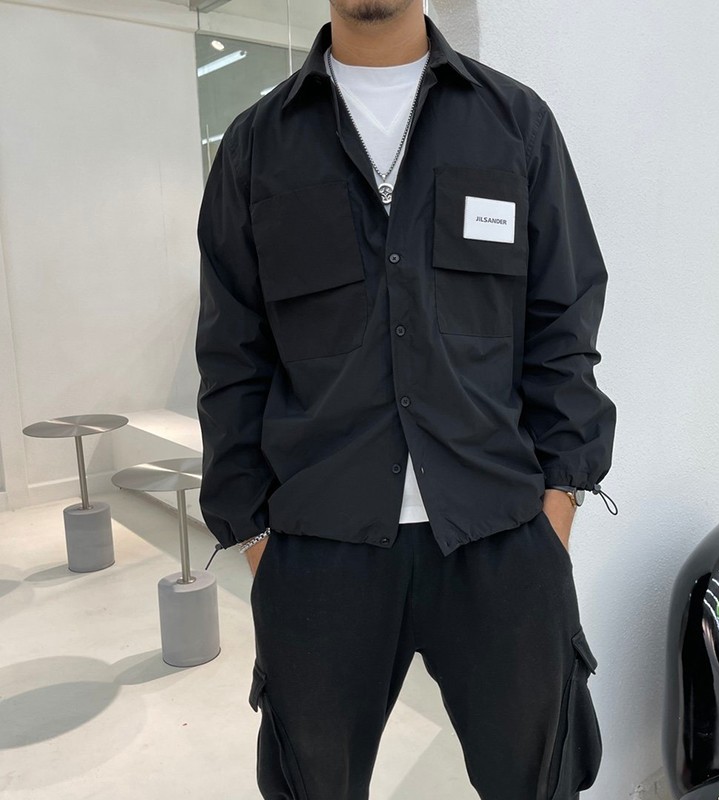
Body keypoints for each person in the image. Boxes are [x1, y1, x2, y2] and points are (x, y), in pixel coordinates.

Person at [195, 1, 617, 798]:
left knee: (540, 785)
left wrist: (556, 511)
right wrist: (257, 544)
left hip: (500, 535)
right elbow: (231, 358)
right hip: (319, 549)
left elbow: (563, 324)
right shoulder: (256, 147)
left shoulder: (515, 124)